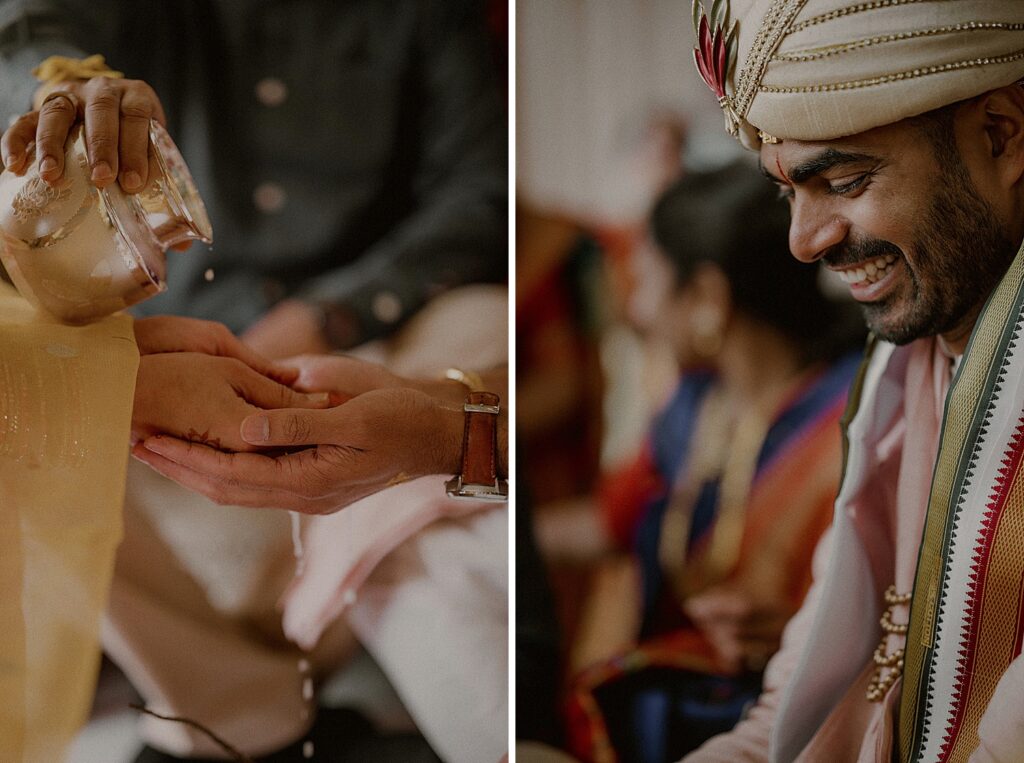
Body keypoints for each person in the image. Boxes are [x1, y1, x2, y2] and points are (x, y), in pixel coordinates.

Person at [679, 2, 1024, 760]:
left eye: (844, 178)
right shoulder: (902, 374)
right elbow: (783, 721)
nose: (805, 241)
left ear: (1001, 135)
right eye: (787, 193)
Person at [535, 162, 862, 763]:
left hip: (797, 723)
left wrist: (798, 631)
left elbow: (880, 612)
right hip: (675, 711)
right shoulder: (693, 403)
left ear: (708, 296)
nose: (638, 310)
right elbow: (613, 520)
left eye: (649, 282)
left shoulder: (851, 420)